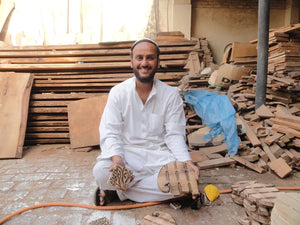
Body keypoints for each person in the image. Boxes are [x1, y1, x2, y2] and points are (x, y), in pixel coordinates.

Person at [93, 38, 199, 206]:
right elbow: (110, 131)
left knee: (187, 180)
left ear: (158, 62)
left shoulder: (170, 95)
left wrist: (187, 163)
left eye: (150, 58)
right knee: (101, 172)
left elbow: (174, 135)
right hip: (127, 158)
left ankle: (119, 192)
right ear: (131, 61)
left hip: (159, 158)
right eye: (139, 58)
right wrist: (117, 158)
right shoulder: (118, 93)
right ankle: (156, 191)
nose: (144, 63)